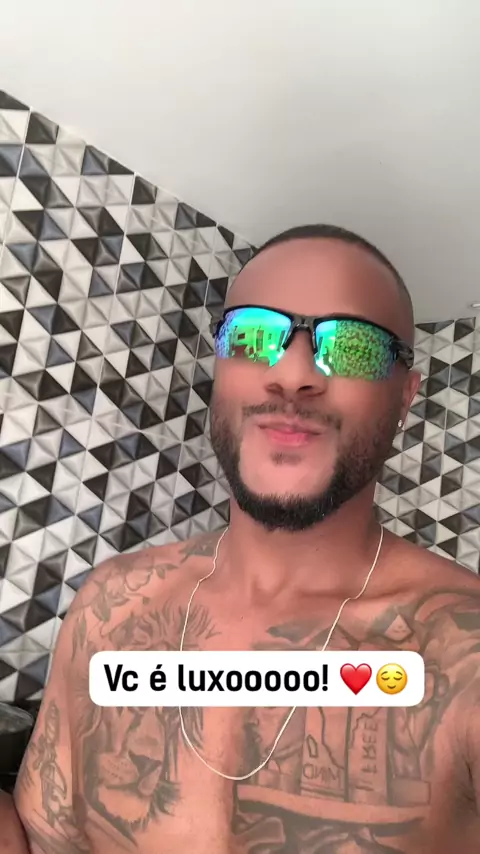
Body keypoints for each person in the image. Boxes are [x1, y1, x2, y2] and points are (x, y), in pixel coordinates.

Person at [13, 225, 480, 854]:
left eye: (353, 347)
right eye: (254, 335)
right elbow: (47, 839)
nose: (292, 374)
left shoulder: (460, 649)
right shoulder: (113, 605)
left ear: (405, 396)